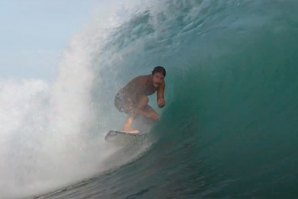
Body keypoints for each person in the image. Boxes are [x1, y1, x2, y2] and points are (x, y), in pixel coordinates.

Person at [114, 66, 166, 134]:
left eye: (161, 78)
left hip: (135, 101)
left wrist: (161, 103)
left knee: (155, 117)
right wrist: (145, 114)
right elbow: (131, 104)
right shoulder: (143, 82)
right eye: (156, 77)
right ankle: (127, 126)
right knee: (145, 99)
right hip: (121, 99)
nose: (158, 80)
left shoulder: (161, 83)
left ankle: (140, 133)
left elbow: (160, 98)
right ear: (152, 75)